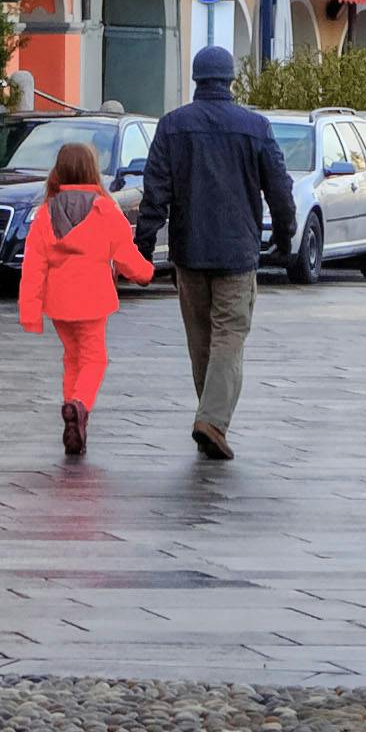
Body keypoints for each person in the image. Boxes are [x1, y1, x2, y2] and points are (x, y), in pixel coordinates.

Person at [133, 43, 299, 457]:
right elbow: (279, 189)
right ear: (230, 80)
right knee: (230, 336)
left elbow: (155, 192)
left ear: (196, 79)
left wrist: (144, 245)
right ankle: (212, 420)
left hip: (189, 252)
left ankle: (210, 418)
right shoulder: (254, 127)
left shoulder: (172, 126)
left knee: (201, 340)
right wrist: (285, 233)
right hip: (238, 252)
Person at [17, 139, 153, 458]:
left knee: (72, 356)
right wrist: (146, 274)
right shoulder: (105, 209)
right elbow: (125, 255)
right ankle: (79, 406)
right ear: (92, 170)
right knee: (95, 357)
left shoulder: (46, 213)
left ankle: (73, 416)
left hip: (60, 300)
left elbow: (33, 265)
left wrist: (30, 312)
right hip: (93, 297)